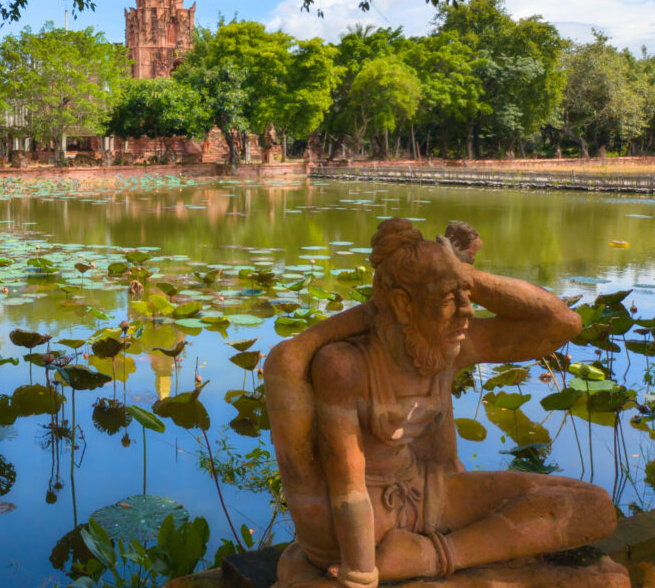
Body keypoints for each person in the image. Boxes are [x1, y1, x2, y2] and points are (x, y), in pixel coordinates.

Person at [265, 218, 618, 588]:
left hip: (423, 492)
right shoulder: (345, 364)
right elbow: (347, 489)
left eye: (467, 295)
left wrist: (462, 273)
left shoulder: (449, 344)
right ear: (403, 304)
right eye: (451, 298)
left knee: (594, 507)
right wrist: (361, 574)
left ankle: (431, 558)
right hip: (358, 519)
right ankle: (471, 565)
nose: (467, 310)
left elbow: (562, 322)